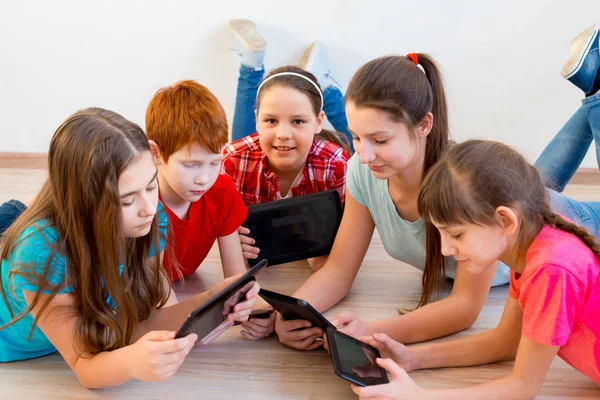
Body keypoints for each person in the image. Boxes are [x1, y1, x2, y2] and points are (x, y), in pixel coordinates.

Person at [0, 108, 258, 388]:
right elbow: (84, 365)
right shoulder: (40, 254)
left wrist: (212, 299)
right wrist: (131, 362)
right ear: (86, 202)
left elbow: (148, 322)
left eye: (150, 187)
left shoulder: (153, 218)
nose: (149, 209)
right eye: (126, 200)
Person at [352, 140, 600, 399]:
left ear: (506, 220)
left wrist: (419, 396)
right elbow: (505, 342)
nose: (446, 249)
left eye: (456, 235)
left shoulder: (551, 268)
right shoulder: (532, 245)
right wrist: (412, 358)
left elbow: (522, 387)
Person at [146, 80, 248, 282]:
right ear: (156, 153)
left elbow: (236, 277)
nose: (204, 179)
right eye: (190, 165)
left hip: (182, 289)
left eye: (214, 163)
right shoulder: (141, 202)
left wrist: (244, 301)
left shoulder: (222, 192)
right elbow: (147, 288)